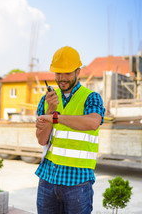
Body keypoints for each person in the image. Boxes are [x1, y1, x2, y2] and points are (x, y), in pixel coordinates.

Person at [35, 46, 105, 214]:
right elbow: (41, 140)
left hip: (77, 182)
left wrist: (55, 118)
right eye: (58, 73)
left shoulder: (91, 97)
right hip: (48, 179)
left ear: (78, 72)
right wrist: (50, 110)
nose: (62, 78)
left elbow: (93, 122)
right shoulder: (47, 99)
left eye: (67, 73)